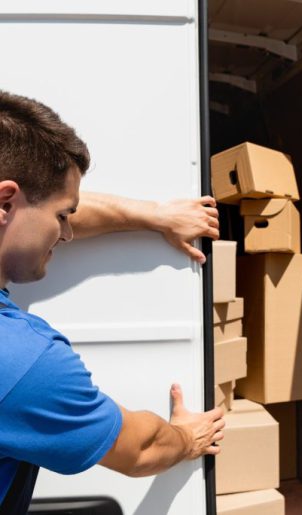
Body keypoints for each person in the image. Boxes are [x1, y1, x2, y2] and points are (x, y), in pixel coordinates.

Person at [0, 90, 224, 514]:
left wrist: (154, 216)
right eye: (63, 217)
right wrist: (187, 438)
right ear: (5, 202)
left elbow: (31, 207)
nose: (66, 235)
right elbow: (139, 449)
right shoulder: (21, 362)